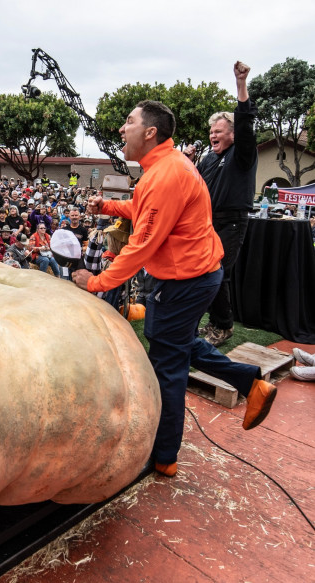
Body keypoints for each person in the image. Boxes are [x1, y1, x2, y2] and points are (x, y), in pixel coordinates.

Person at [72, 100, 276, 478]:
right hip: (195, 274)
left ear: (150, 132)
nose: (121, 129)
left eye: (129, 122)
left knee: (167, 363)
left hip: (185, 280)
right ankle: (250, 382)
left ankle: (163, 456)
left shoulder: (165, 173)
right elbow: (147, 208)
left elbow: (142, 244)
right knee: (174, 341)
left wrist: (97, 282)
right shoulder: (164, 167)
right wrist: (111, 207)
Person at [188, 62, 257, 347]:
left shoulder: (243, 153)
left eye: (218, 131)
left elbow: (244, 120)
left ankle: (224, 326)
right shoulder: (210, 158)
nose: (213, 135)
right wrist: (188, 161)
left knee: (217, 272)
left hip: (230, 221)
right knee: (205, 270)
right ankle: (215, 321)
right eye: (211, 132)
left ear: (232, 134)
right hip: (208, 221)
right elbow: (195, 184)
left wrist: (240, 84)